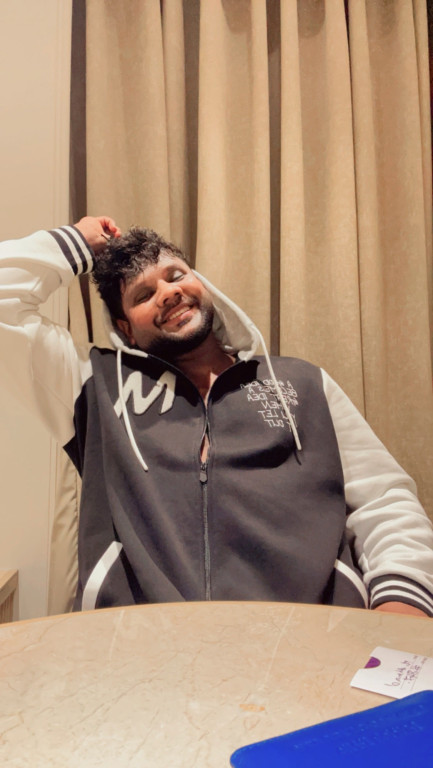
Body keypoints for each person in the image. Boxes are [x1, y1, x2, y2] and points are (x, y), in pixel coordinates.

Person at [0, 215, 432, 617]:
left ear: (201, 284)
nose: (168, 292)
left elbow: (383, 501)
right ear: (125, 328)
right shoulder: (92, 386)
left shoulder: (304, 383)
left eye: (176, 276)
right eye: (143, 295)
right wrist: (77, 240)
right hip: (138, 654)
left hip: (310, 641)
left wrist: (401, 600)